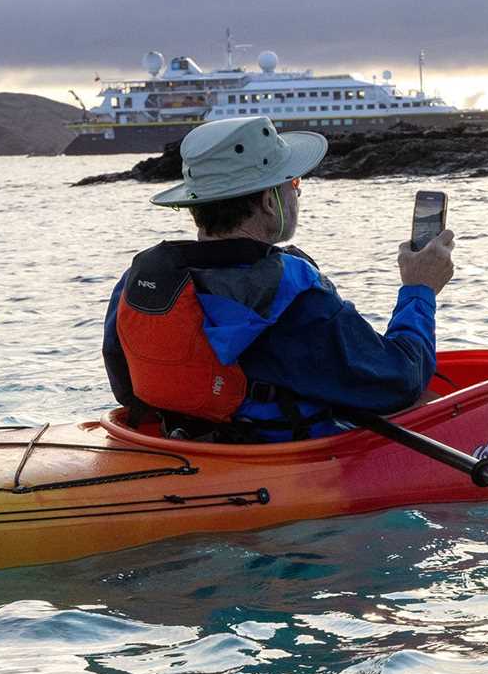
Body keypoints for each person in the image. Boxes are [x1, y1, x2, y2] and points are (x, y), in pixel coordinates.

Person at [102, 116, 455, 441]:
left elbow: (127, 390)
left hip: (185, 444)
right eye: (294, 182)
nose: (297, 192)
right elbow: (401, 381)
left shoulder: (141, 277)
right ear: (270, 201)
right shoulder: (293, 292)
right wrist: (418, 289)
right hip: (274, 463)